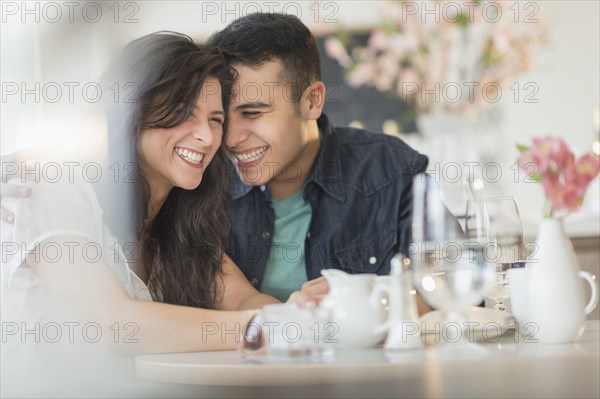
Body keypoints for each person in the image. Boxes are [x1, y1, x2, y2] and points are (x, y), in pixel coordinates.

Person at [0, 32, 322, 372]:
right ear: (130, 112)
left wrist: (296, 311)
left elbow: (242, 298)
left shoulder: (180, 224)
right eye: (184, 113)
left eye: (215, 119)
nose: (207, 137)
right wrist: (264, 327)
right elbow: (116, 324)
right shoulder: (51, 186)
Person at [206, 13, 430, 312]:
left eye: (252, 113)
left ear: (312, 101)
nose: (230, 138)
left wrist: (377, 296)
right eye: (221, 115)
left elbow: (456, 289)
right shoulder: (203, 183)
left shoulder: (390, 168)